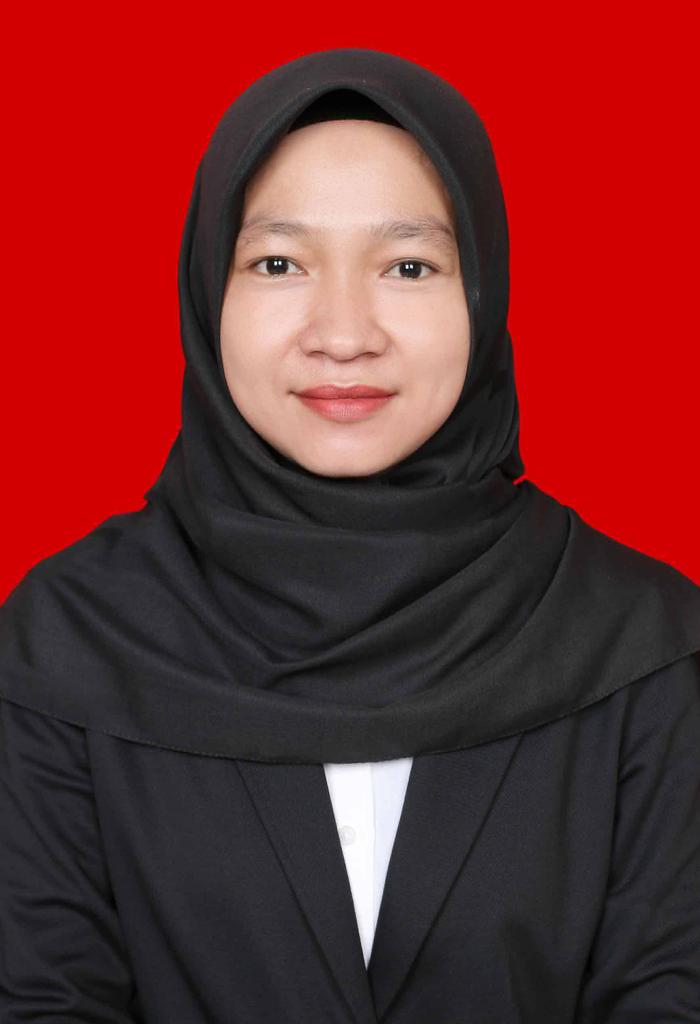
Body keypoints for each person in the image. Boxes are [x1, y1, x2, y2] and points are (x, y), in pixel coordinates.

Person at [1, 47, 699, 1023]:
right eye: (278, 263)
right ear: (208, 290)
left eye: (407, 266)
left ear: (481, 289)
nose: (342, 332)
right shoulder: (67, 635)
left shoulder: (644, 639)